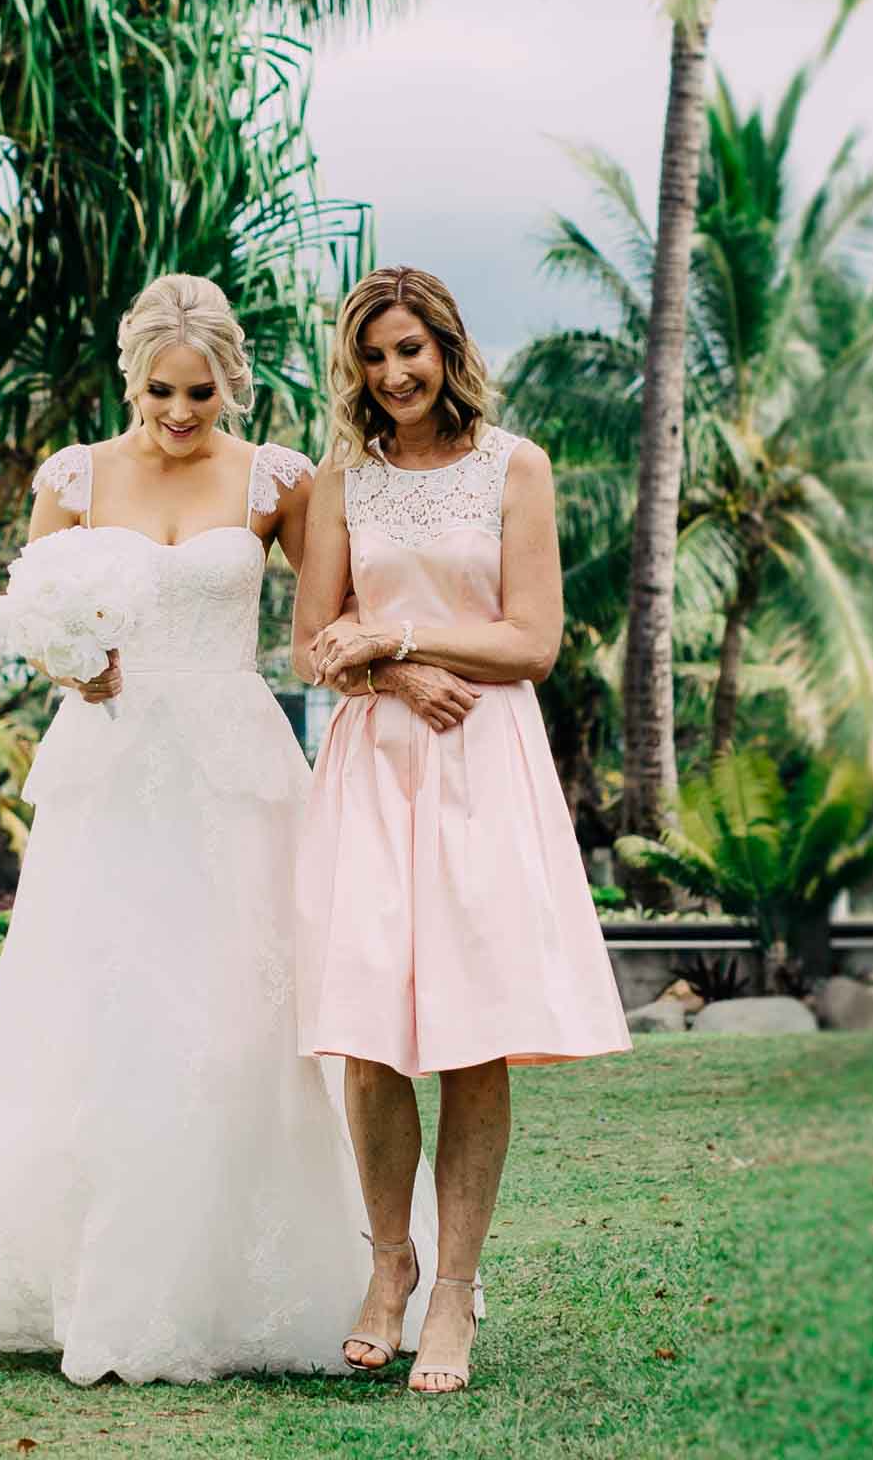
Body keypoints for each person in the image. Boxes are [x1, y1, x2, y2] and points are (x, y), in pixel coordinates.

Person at [0, 271, 435, 1387]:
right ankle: (88, 1278)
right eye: (161, 392)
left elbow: (322, 623)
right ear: (132, 376)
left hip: (236, 773)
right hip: (110, 772)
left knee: (243, 1015)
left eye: (202, 392)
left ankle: (256, 1281)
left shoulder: (281, 479)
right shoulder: (75, 474)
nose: (182, 414)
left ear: (230, 380)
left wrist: (407, 651)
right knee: (99, 1009)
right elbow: (29, 614)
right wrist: (69, 661)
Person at [294, 264, 628, 1397]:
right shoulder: (341, 484)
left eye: (411, 351)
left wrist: (395, 647)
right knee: (372, 1027)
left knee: (473, 1033)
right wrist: (392, 674)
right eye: (374, 356)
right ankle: (388, 1269)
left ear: (448, 347)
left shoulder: (513, 467)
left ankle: (453, 1296)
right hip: (376, 767)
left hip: (483, 763)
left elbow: (532, 640)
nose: (393, 374)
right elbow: (312, 643)